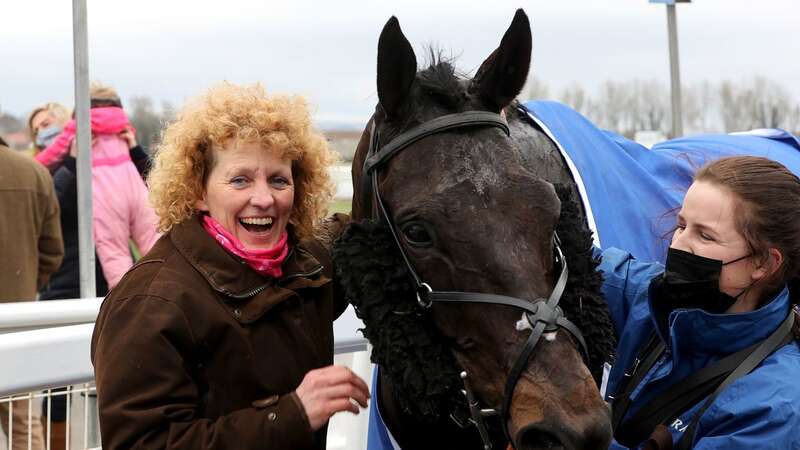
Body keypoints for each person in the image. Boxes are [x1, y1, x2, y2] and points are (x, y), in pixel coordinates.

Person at [91, 82, 370, 449]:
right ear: (198, 192)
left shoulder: (304, 267)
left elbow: (354, 237)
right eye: (240, 180)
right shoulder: (151, 303)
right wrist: (291, 415)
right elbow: (144, 443)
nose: (263, 198)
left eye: (278, 180)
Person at [601, 156, 800, 449]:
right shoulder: (652, 296)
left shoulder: (775, 407)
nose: (678, 244)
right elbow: (576, 260)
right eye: (682, 225)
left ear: (763, 263)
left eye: (705, 235)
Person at [33, 84, 159, 289]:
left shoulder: (80, 135)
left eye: (46, 124)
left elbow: (156, 181)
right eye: (36, 130)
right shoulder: (120, 126)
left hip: (96, 272)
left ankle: (134, 294)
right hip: (69, 279)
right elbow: (52, 204)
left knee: (123, 253)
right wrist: (72, 162)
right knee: (153, 243)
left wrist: (135, 150)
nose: (41, 132)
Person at [0, 139, 63, 450]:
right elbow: (53, 250)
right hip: (18, 317)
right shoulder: (35, 172)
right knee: (23, 420)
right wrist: (27, 285)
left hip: (18, 311)